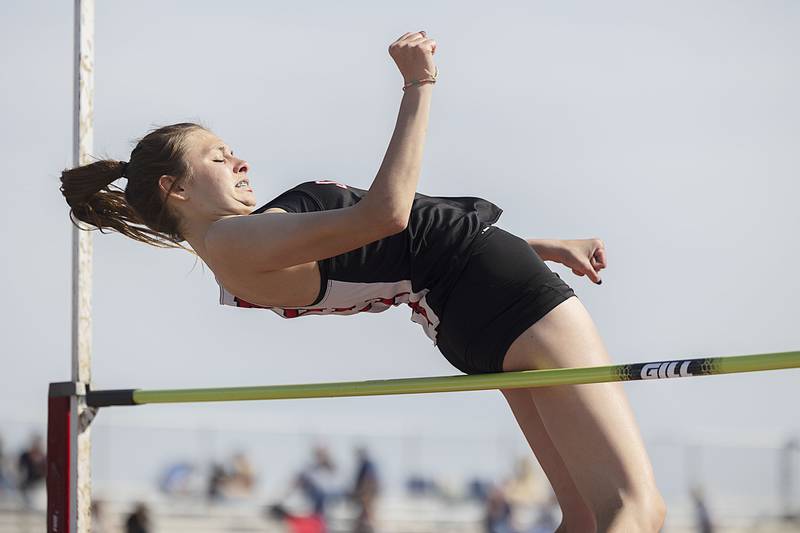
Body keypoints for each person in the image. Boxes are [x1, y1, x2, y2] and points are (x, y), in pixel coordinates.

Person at [59, 30, 666, 531]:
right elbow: (389, 214)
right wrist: (418, 86)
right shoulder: (235, 240)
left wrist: (538, 244)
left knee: (586, 517)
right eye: (218, 158)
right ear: (176, 190)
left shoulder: (237, 256)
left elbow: (388, 250)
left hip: (463, 318)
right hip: (497, 292)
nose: (240, 162)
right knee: (636, 511)